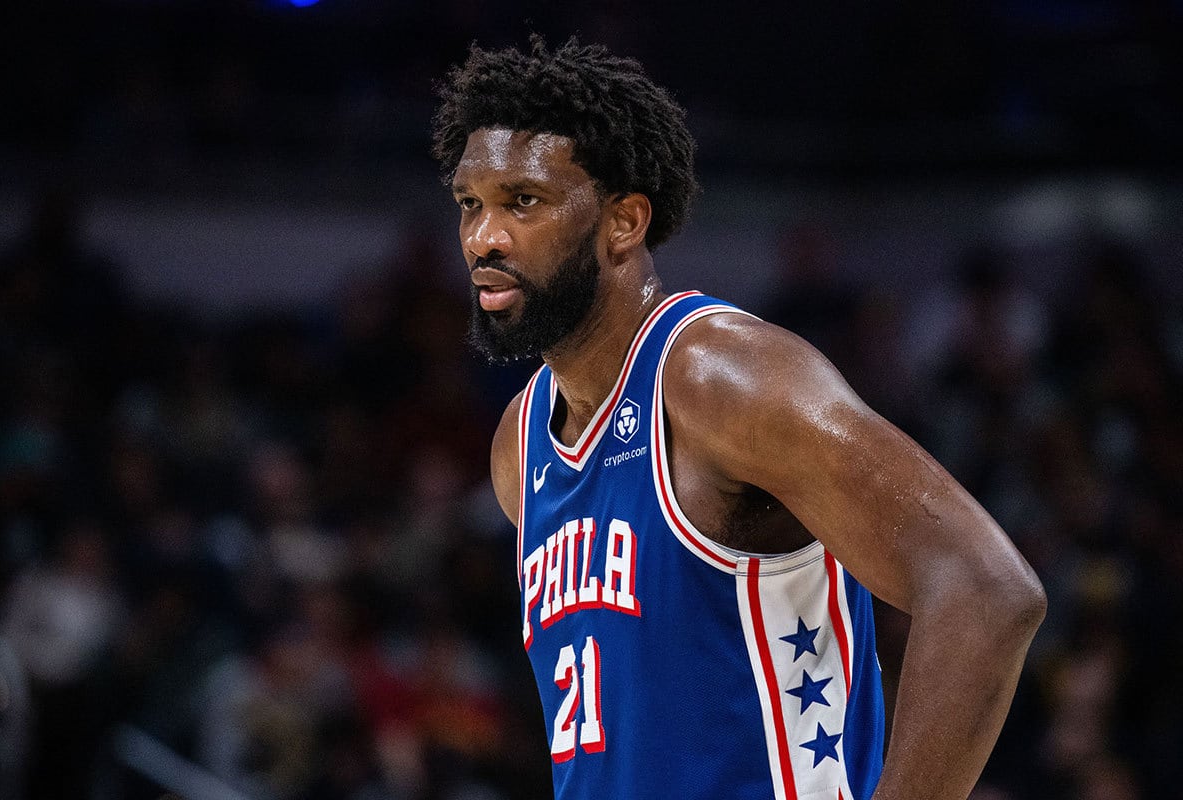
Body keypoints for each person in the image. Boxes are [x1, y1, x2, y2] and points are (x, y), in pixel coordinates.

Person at [432, 36, 1045, 800]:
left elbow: (986, 589)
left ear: (624, 222)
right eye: (470, 205)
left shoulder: (723, 379)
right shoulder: (518, 447)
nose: (484, 237)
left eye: (523, 202)